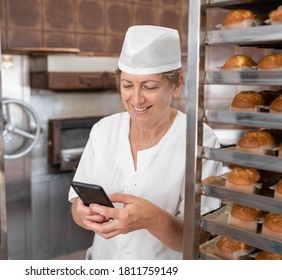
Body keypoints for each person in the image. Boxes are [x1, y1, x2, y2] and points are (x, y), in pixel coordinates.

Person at [68, 25, 222, 260]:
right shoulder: (103, 131)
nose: (136, 99)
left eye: (150, 87)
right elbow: (76, 208)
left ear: (177, 85)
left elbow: (200, 238)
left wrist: (153, 219)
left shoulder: (199, 138)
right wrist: (85, 215)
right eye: (127, 85)